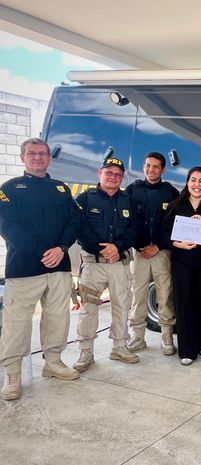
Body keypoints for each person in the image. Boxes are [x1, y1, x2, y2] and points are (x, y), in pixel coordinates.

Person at [0, 137, 81, 400]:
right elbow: (9, 228)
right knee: (17, 323)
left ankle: (53, 362)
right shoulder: (9, 189)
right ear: (23, 157)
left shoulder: (61, 189)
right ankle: (12, 374)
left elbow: (74, 221)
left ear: (50, 157)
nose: (38, 158)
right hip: (24, 267)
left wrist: (61, 248)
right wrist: (40, 252)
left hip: (59, 265)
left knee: (58, 317)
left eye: (43, 154)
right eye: (32, 154)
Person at [73, 157, 142, 372]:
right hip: (93, 265)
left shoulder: (128, 201)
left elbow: (134, 229)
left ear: (122, 178)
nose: (113, 177)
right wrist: (100, 249)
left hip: (119, 264)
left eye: (118, 174)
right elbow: (79, 228)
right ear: (99, 173)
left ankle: (119, 347)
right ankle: (86, 351)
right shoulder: (85, 198)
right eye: (109, 172)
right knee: (88, 307)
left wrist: (116, 247)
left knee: (122, 306)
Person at [162, 167, 201, 366]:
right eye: (193, 180)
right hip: (182, 262)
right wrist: (177, 243)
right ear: (187, 183)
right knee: (184, 302)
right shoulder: (175, 206)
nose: (197, 185)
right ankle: (187, 349)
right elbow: (164, 234)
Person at [125, 152, 180, 355]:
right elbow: (127, 222)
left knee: (165, 296)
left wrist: (157, 246)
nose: (151, 169)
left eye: (156, 166)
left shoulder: (171, 193)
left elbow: (176, 226)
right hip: (139, 253)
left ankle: (166, 338)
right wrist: (138, 245)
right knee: (137, 297)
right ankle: (137, 338)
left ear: (163, 169)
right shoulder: (132, 190)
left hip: (161, 252)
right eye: (148, 165)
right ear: (143, 166)